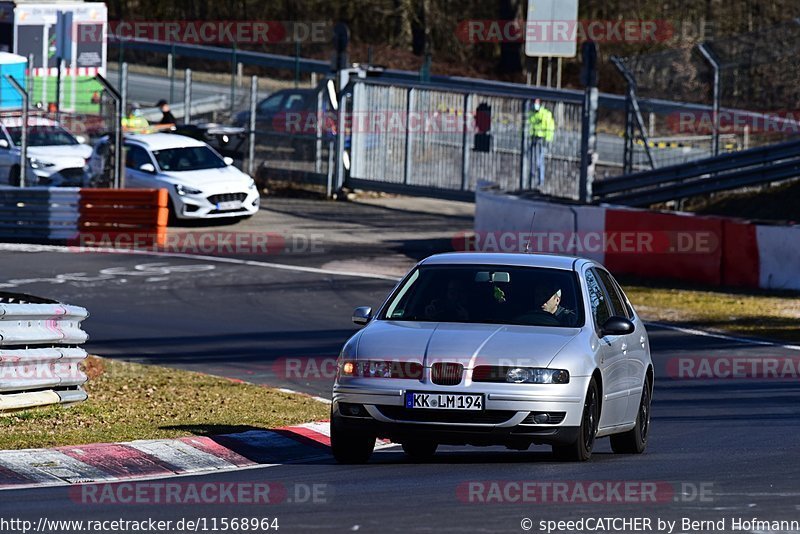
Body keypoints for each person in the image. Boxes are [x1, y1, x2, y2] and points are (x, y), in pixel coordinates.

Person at [527, 98, 555, 189]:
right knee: (532, 161)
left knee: (539, 161)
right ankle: (531, 181)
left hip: (541, 140)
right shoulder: (530, 114)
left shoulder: (546, 114)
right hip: (532, 139)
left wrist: (547, 140)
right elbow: (526, 126)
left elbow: (550, 127)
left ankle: (540, 182)